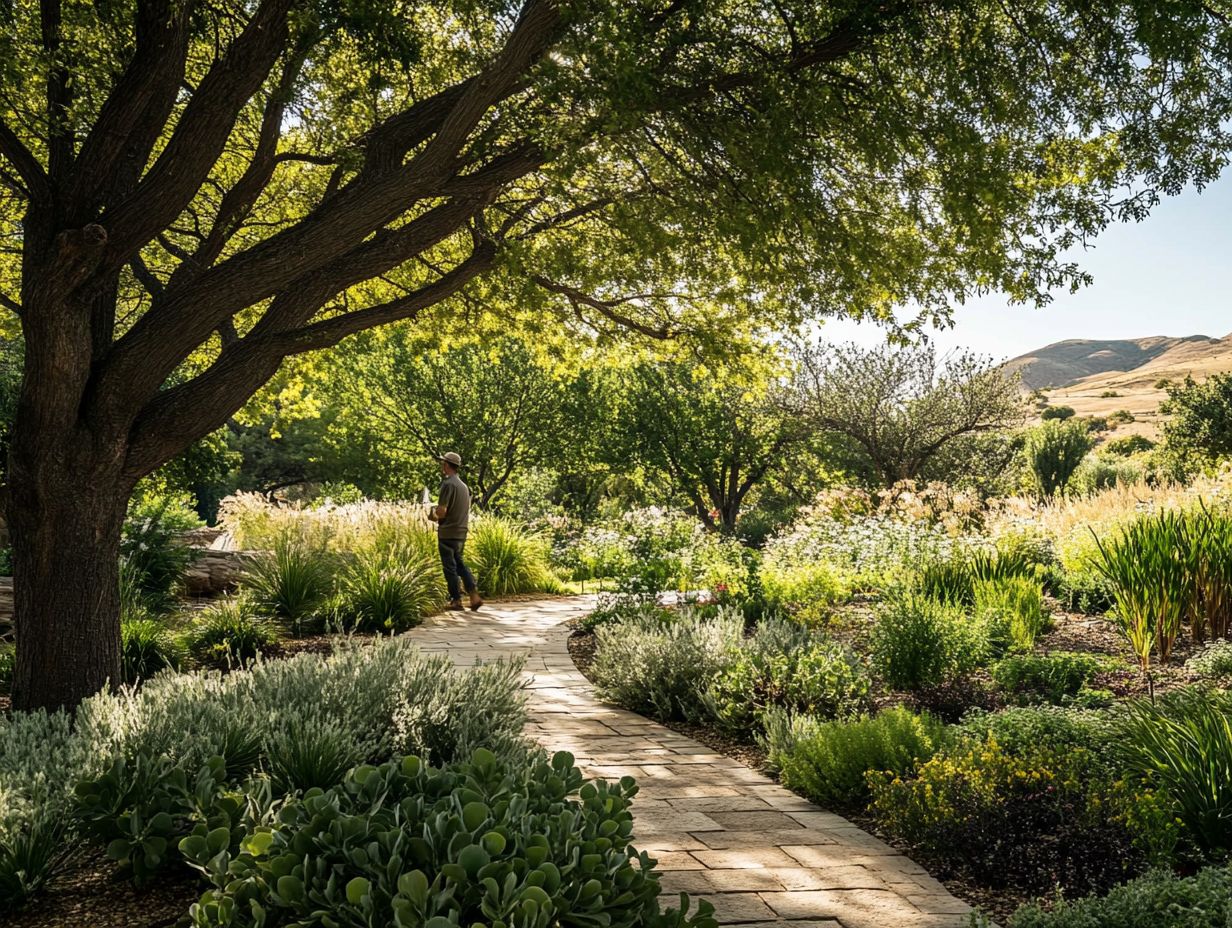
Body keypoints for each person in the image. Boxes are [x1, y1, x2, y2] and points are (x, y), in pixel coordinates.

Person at [427, 451, 483, 611]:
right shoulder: (464, 487)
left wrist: (433, 514)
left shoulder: (448, 484)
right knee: (460, 565)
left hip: (447, 532)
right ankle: (474, 596)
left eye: (442, 463)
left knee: (449, 567)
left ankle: (456, 600)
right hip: (461, 532)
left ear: (446, 465)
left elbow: (442, 511)